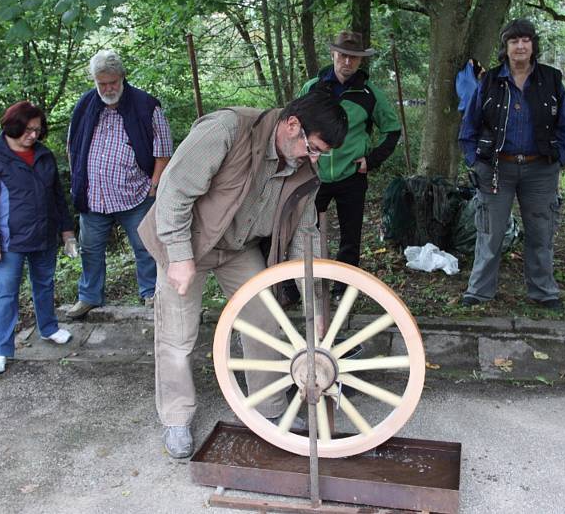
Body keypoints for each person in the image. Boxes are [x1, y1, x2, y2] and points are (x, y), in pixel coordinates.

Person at [137, 91, 348, 458]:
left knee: (264, 318)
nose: (313, 159)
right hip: (187, 240)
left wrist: (314, 306)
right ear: (292, 125)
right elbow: (173, 191)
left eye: (319, 154)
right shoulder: (228, 130)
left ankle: (268, 410)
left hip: (236, 246)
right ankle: (176, 418)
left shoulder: (302, 167)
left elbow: (305, 236)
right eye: (312, 148)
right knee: (177, 334)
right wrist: (179, 256)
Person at [459, 18, 565, 310]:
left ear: (533, 45)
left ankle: (544, 292)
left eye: (526, 40)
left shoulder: (551, 79)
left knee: (541, 233)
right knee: (490, 233)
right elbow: (469, 127)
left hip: (540, 170)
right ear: (506, 47)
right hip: (498, 169)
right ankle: (479, 291)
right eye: (514, 41)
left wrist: (558, 159)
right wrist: (475, 162)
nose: (520, 46)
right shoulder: (490, 81)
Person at [0, 101, 76, 375]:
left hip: (43, 234)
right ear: (13, 126)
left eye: (38, 130)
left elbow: (57, 197)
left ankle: (49, 328)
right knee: (6, 294)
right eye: (28, 130)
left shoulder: (44, 155)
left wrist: (67, 232)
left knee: (45, 283)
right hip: (8, 241)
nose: (33, 135)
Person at [66, 49, 174, 318]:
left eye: (112, 82)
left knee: (146, 246)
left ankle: (150, 293)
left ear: (123, 77)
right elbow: (73, 147)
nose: (108, 88)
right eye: (101, 83)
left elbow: (163, 151)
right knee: (90, 249)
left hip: (136, 195)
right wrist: (78, 179)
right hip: (94, 197)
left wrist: (153, 187)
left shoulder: (146, 105)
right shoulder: (84, 105)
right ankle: (90, 297)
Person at [296, 30, 401, 302]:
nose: (347, 62)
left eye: (353, 58)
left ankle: (345, 289)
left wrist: (372, 159)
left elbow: (392, 129)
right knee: (306, 229)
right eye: (342, 55)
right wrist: (302, 157)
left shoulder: (369, 94)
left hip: (351, 175)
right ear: (333, 55)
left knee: (350, 235)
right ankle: (306, 283)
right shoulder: (312, 88)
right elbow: (294, 123)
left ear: (360, 61)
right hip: (315, 174)